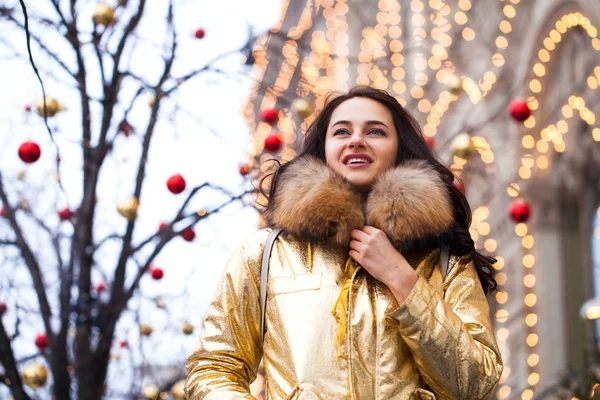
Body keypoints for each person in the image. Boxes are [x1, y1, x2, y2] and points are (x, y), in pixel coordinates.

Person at [185, 86, 503, 399]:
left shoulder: (444, 260)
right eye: (341, 132)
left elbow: (474, 384)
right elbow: (214, 367)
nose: (356, 140)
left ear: (399, 150)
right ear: (324, 150)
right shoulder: (267, 254)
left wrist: (402, 279)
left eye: (375, 131)